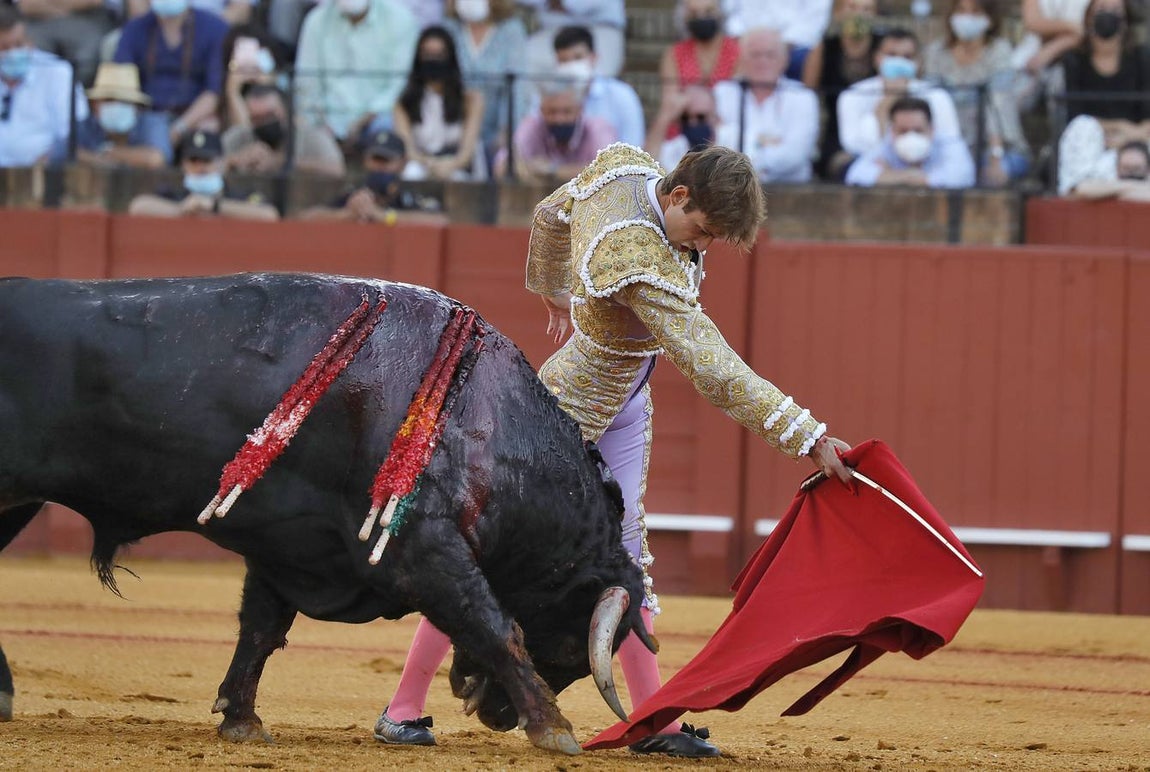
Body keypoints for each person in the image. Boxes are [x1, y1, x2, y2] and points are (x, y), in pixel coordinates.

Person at [374, 141, 852, 757]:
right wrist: (806, 435)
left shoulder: (626, 168)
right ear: (677, 196)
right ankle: (403, 708)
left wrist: (551, 287)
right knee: (481, 551)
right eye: (702, 231)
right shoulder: (637, 252)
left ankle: (655, 722)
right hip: (561, 417)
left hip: (626, 405)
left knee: (628, 557)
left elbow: (550, 213)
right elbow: (713, 369)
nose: (700, 247)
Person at [923, 0, 1030, 187]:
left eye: (975, 12)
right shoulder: (936, 53)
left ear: (990, 19)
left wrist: (995, 157)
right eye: (962, 10)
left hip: (995, 149)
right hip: (946, 147)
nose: (967, 17)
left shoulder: (999, 52)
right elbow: (931, 103)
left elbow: (997, 105)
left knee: (992, 177)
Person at [113, 0, 230, 162]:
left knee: (208, 130)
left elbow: (213, 92)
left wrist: (180, 128)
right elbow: (120, 83)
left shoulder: (215, 28)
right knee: (151, 133)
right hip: (149, 113)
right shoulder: (135, 28)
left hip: (195, 114)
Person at [293, 0, 419, 151]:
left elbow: (398, 84)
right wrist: (321, 123)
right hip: (326, 122)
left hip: (376, 117)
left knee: (386, 128)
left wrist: (363, 121)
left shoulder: (400, 19)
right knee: (300, 126)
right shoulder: (316, 20)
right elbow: (307, 83)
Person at [836, 27, 962, 163]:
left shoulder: (936, 96)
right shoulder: (854, 95)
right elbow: (853, 145)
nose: (899, 62)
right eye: (891, 55)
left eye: (907, 57)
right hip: (871, 166)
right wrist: (887, 102)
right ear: (877, 58)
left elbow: (950, 141)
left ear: (918, 62)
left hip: (928, 165)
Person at [713, 27, 820, 183]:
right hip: (733, 193)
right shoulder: (723, 93)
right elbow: (718, 146)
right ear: (742, 59)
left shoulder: (803, 97)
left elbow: (796, 155)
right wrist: (764, 142)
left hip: (791, 192)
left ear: (784, 60)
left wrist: (746, 148)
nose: (762, 61)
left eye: (770, 55)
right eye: (755, 54)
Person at [0, 3, 89, 168]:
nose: (13, 53)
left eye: (19, 45)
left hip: (44, 178)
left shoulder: (57, 72)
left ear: (29, 40)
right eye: (4, 48)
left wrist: (49, 160)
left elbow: (73, 136)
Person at [392, 25, 486, 181]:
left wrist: (450, 165)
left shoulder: (471, 100)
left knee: (457, 179)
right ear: (418, 57)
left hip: (459, 168)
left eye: (439, 54)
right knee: (411, 173)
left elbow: (466, 154)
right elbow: (408, 150)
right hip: (422, 165)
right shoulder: (404, 102)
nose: (433, 60)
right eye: (427, 54)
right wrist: (431, 163)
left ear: (450, 57)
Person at [803, 0, 882, 180]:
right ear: (838, 13)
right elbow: (808, 95)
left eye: (866, 9)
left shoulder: (883, 46)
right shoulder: (824, 48)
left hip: (876, 132)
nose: (859, 14)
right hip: (835, 135)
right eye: (852, 7)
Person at [442, 0, 529, 164]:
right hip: (453, 129)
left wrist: (507, 130)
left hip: (494, 132)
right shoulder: (448, 28)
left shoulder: (511, 30)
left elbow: (515, 86)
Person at [297, 129, 447, 222]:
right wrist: (346, 215)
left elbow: (440, 221)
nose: (379, 167)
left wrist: (385, 217)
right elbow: (305, 218)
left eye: (386, 160)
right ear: (365, 161)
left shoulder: (407, 198)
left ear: (402, 163)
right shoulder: (353, 196)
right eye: (375, 159)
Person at [128, 128, 279, 219]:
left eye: (207, 160)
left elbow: (269, 215)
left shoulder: (237, 195)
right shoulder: (173, 194)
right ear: (183, 165)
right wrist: (181, 209)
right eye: (194, 160)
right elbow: (138, 206)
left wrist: (215, 206)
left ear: (222, 162)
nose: (201, 167)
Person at [1057, 0, 1150, 144]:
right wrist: (1120, 126)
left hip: (1136, 142)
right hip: (1089, 140)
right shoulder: (1075, 60)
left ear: (1126, 20)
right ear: (1088, 18)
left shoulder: (1142, 57)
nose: (1108, 15)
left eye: (1116, 10)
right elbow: (1075, 119)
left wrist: (1128, 138)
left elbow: (1147, 118)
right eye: (1101, 9)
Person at [494, 77, 615, 182]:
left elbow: (610, 170)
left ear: (580, 109)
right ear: (541, 110)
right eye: (552, 112)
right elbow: (501, 167)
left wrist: (552, 171)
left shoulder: (597, 129)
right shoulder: (532, 126)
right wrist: (522, 167)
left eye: (566, 111)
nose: (559, 119)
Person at [651, 0, 738, 144]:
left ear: (720, 13)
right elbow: (671, 101)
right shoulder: (674, 54)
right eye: (694, 13)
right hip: (684, 130)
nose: (701, 18)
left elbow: (735, 102)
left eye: (708, 12)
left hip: (724, 132)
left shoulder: (736, 52)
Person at [845, 95, 975, 188]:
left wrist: (889, 176)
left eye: (918, 130)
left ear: (932, 130)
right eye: (903, 131)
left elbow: (960, 177)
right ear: (892, 131)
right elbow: (855, 176)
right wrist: (907, 176)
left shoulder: (950, 144)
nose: (910, 136)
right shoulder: (887, 145)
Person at [550, 25, 645, 148]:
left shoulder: (622, 95)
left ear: (593, 57)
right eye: (564, 61)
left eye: (578, 58)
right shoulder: (548, 97)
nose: (571, 66)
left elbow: (634, 148)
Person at [222, 83, 345, 177]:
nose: (264, 123)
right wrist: (234, 160)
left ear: (286, 112)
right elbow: (209, 165)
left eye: (270, 116)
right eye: (256, 119)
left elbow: (337, 170)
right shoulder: (240, 136)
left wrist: (280, 161)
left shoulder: (311, 137)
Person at [76, 62, 166, 169]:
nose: (116, 106)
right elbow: (63, 151)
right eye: (109, 100)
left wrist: (109, 152)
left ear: (137, 108)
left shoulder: (152, 123)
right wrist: (99, 160)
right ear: (95, 105)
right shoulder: (85, 126)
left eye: (125, 101)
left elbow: (155, 159)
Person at [724, 0, 834, 81]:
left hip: (794, 46)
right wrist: (747, 42)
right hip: (744, 40)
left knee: (814, 52)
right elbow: (730, 12)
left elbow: (815, 18)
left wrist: (778, 47)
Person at [18, 0, 119, 87]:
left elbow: (94, 1)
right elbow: (26, 5)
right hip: (42, 21)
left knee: (88, 58)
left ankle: (76, 102)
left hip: (88, 21)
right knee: (33, 54)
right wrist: (60, 10)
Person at [517, 0, 625, 77]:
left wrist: (562, 3)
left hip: (601, 28)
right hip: (552, 30)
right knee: (522, 64)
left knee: (591, 76)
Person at [646, 83, 719, 169]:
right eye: (685, 117)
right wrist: (665, 116)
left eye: (700, 117)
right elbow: (648, 163)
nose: (693, 123)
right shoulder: (677, 148)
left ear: (715, 117)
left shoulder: (731, 140)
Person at [1063, 135, 1150, 199]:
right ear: (1117, 168)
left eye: (1137, 169)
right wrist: (1131, 186)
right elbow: (1081, 189)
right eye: (1126, 168)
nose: (1131, 173)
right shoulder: (1107, 181)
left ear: (1147, 169)